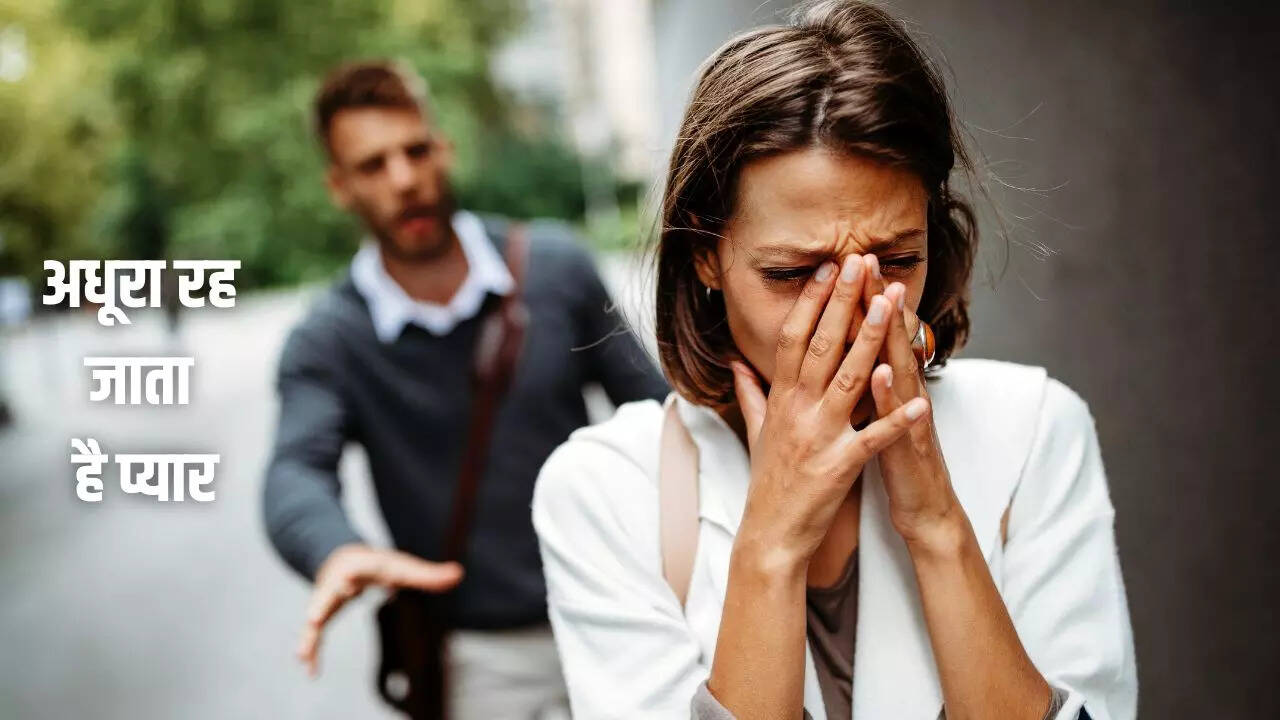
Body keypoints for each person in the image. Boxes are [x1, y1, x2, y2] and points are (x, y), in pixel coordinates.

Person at [531, 2, 1137, 719]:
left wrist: (937, 524)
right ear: (705, 257)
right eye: (793, 274)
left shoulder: (1034, 430)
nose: (850, 315)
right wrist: (773, 543)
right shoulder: (604, 489)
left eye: (897, 261)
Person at [262, 60, 668, 718]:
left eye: (416, 151)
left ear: (443, 149)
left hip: (622, 615)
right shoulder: (328, 339)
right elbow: (294, 471)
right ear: (339, 186)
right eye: (373, 165)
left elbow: (660, 411)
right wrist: (337, 550)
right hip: (480, 657)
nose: (404, 179)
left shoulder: (556, 269)